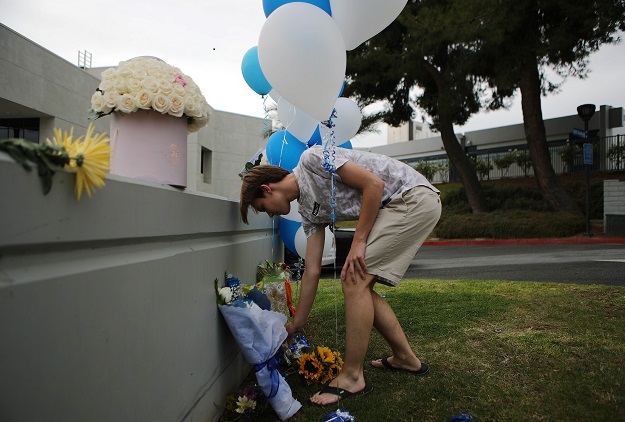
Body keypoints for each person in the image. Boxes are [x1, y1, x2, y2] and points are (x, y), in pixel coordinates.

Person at [239, 146, 441, 406]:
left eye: (262, 207)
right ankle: (405, 358)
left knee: (354, 279)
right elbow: (312, 270)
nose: (270, 214)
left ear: (267, 189)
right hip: (398, 205)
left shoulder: (311, 159)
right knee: (360, 284)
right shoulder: (308, 212)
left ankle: (352, 376)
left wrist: (358, 241)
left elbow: (373, 184)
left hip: (411, 198)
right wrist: (296, 324)